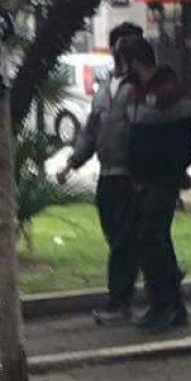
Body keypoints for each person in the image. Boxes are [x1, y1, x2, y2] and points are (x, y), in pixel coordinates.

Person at [57, 22, 144, 325]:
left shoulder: (141, 89)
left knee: (124, 241)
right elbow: (90, 133)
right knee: (118, 238)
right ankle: (148, 289)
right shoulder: (105, 91)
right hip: (107, 177)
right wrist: (71, 163)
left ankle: (120, 301)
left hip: (132, 178)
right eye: (122, 45)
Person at [118, 36, 191, 332]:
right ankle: (166, 304)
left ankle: (167, 305)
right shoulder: (137, 93)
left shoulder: (168, 93)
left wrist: (173, 171)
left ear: (133, 61)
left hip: (162, 179)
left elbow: (187, 140)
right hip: (141, 180)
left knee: (152, 238)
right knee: (151, 240)